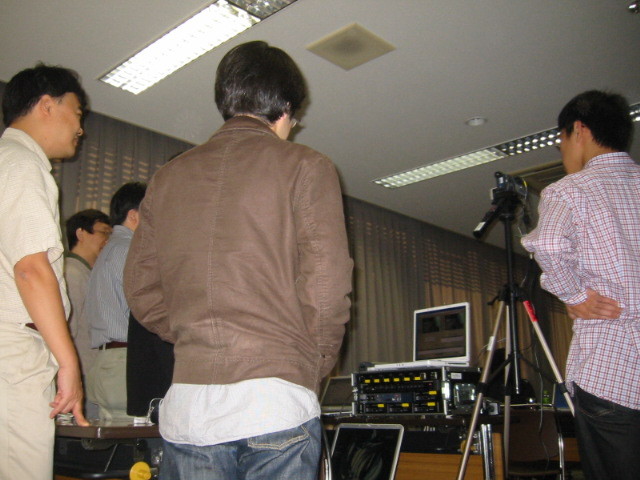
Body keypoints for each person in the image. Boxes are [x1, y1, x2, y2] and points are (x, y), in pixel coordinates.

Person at [124, 41, 353, 480]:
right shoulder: (307, 165)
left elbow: (139, 288)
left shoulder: (167, 178)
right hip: (275, 403)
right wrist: (310, 362)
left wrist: (194, 335)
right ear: (285, 108)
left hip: (190, 407)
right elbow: (327, 285)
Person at [522, 90, 640, 480]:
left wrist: (573, 294)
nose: (562, 153)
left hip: (612, 369)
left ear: (579, 130)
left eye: (560, 143)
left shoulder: (570, 189)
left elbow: (547, 243)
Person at [0, 64, 89, 480]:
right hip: (13, 351)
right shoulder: (21, 163)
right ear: (47, 105)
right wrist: (68, 363)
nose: (81, 128)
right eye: (78, 112)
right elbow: (32, 270)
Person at [85, 181, 146, 421]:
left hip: (108, 360)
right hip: (124, 363)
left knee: (117, 436)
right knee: (133, 437)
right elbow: (145, 307)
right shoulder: (130, 250)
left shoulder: (111, 248)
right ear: (134, 215)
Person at [64, 208, 111, 418]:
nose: (108, 240)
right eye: (103, 232)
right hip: (79, 373)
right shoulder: (71, 273)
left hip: (90, 374)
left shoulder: (89, 273)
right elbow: (68, 330)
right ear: (81, 234)